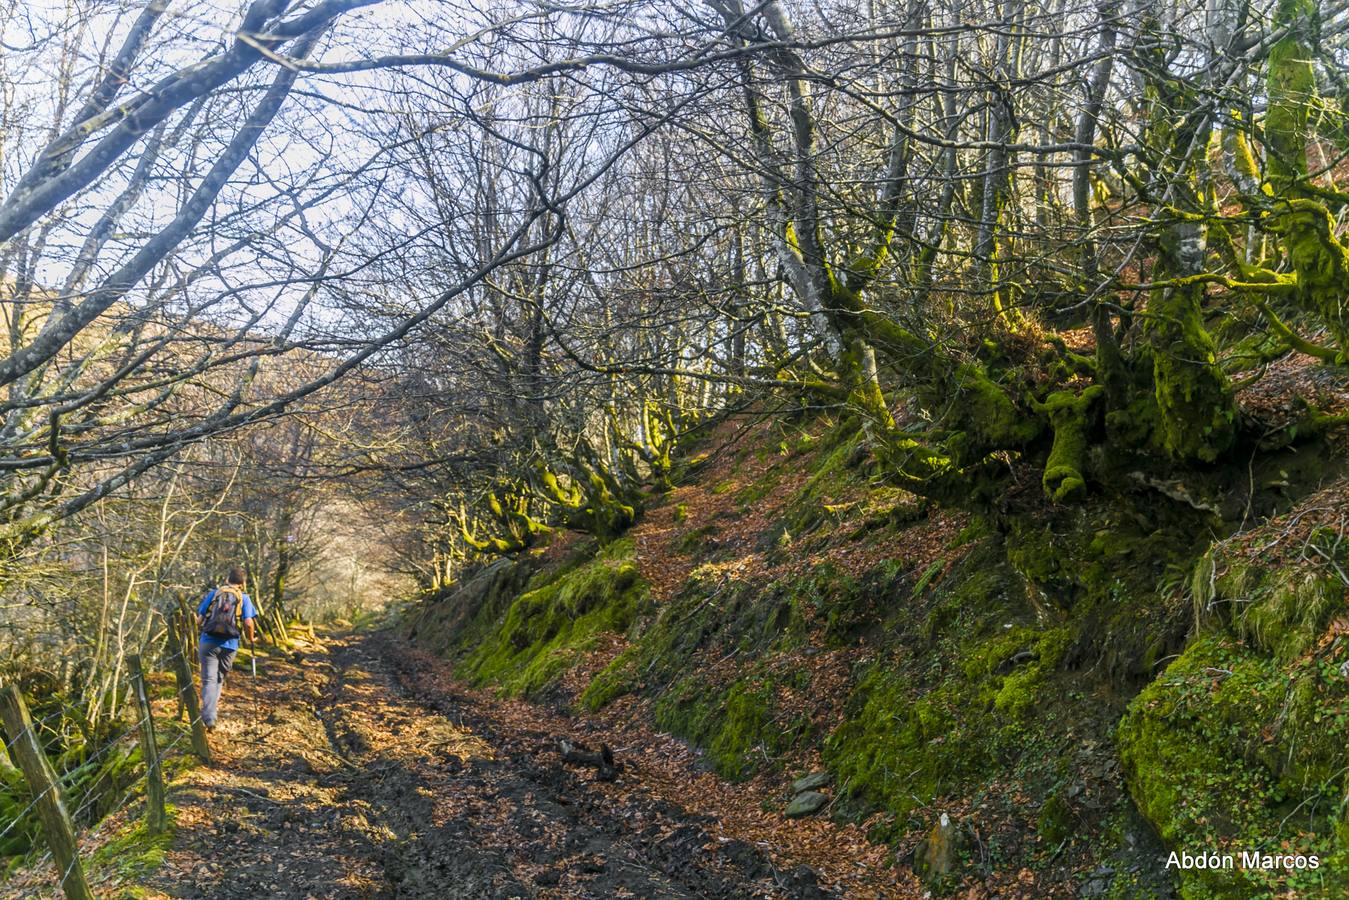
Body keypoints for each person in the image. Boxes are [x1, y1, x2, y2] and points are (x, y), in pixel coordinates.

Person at [195, 566, 258, 730]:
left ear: (227, 579)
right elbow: (248, 622)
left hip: (208, 641)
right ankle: (210, 715)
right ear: (243, 583)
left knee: (208, 679)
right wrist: (251, 638)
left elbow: (199, 620)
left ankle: (209, 718)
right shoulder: (244, 598)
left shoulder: (214, 594)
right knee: (218, 679)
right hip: (230, 645)